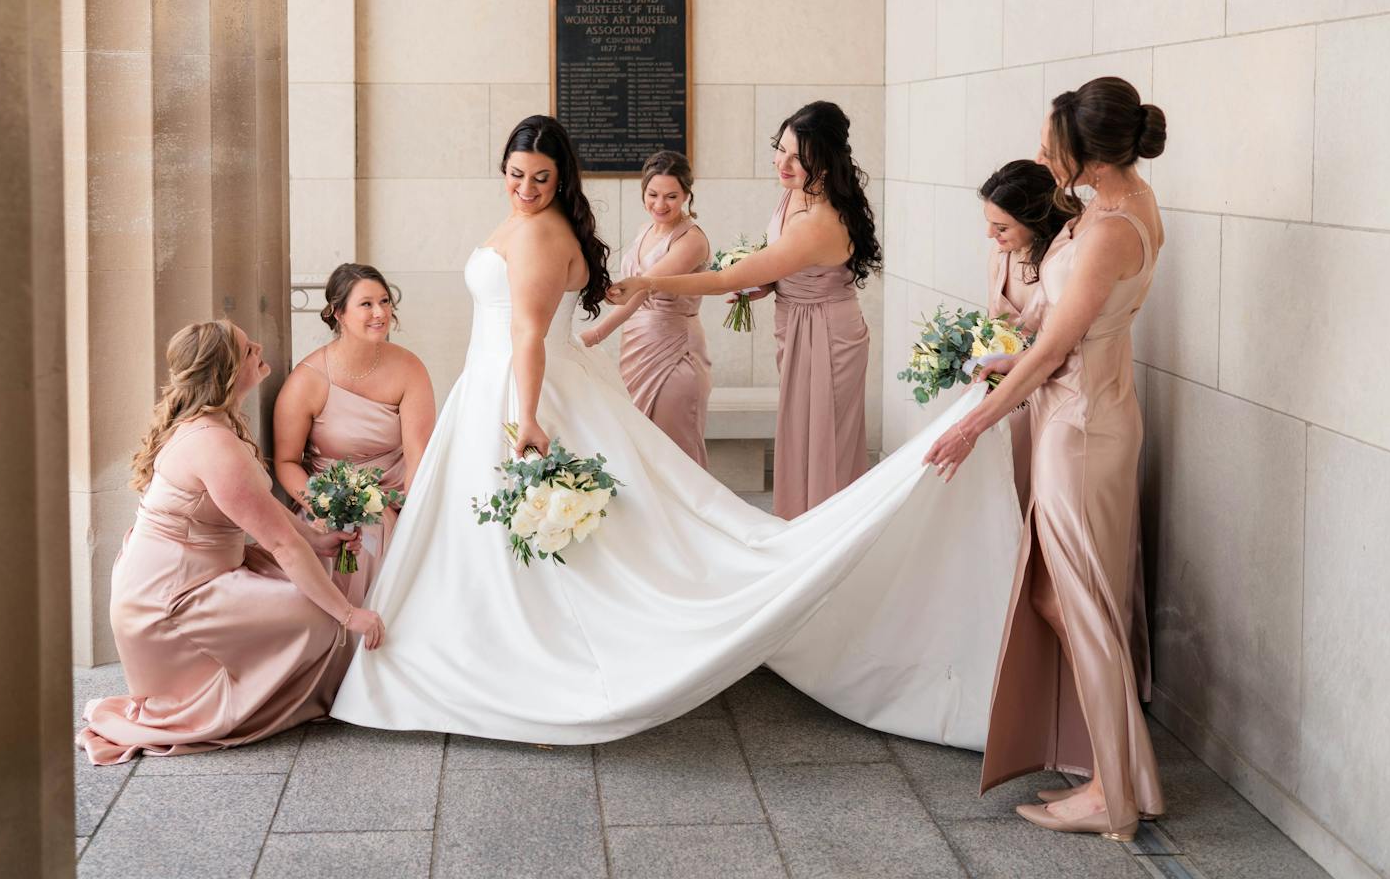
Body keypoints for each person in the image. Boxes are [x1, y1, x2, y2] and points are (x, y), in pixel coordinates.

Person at [329, 115, 1020, 747]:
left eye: (541, 177)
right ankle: (484, 636)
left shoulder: (542, 233)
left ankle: (529, 647)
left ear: (561, 178)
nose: (526, 187)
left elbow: (531, 334)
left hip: (521, 385)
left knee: (597, 525)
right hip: (493, 384)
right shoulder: (521, 219)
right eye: (515, 174)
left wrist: (529, 414)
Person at [924, 78, 1168, 840]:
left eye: (1049, 145)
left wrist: (973, 427)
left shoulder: (1108, 231)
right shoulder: (1118, 206)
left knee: (1082, 610)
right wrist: (1013, 363)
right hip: (1086, 412)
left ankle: (1112, 798)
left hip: (1080, 427)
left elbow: (1061, 345)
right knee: (1065, 601)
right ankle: (1126, 781)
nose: (1039, 155)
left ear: (1088, 156)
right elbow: (1062, 335)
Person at [78, 320, 385, 764]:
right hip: (170, 602)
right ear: (224, 371)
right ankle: (235, 704)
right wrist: (348, 613)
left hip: (201, 574)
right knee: (319, 615)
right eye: (246, 349)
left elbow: (263, 508)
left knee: (317, 593)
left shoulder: (218, 425)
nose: (258, 346)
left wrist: (318, 539)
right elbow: (279, 543)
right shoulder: (213, 444)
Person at [609, 101, 879, 519]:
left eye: (798, 158)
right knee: (801, 439)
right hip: (799, 324)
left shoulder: (818, 222)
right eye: (781, 149)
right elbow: (785, 262)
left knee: (823, 445)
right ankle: (803, 531)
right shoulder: (794, 193)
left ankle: (826, 538)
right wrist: (770, 283)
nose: (783, 164)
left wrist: (648, 281)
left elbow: (722, 280)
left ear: (824, 162)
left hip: (827, 334)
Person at [273, 262, 436, 609]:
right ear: (338, 313)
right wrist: (323, 507)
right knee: (356, 538)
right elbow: (286, 462)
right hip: (328, 504)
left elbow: (419, 451)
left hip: (398, 498)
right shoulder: (307, 380)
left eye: (385, 301)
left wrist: (417, 514)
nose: (380, 313)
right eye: (366, 304)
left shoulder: (410, 368)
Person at [580, 150, 712, 467]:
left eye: (671, 196)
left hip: (675, 349)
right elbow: (630, 289)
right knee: (638, 448)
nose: (660, 204)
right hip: (637, 344)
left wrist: (597, 333)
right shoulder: (645, 230)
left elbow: (644, 287)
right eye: (652, 194)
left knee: (673, 448)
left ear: (687, 195)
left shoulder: (691, 240)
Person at [977, 159, 1076, 511]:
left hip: (1048, 391)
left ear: (1034, 219)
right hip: (1006, 389)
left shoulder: (1064, 261)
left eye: (1001, 225)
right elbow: (994, 326)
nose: (991, 233)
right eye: (989, 222)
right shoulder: (1000, 255)